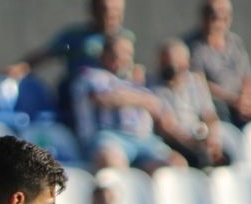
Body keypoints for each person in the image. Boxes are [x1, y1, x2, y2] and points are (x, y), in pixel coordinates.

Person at [73, 35, 186, 172]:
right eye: (118, 53)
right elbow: (107, 99)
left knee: (177, 164)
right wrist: (141, 99)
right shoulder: (91, 75)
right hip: (108, 137)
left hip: (144, 140)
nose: (124, 58)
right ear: (105, 55)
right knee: (112, 161)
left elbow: (158, 108)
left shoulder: (137, 81)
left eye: (128, 54)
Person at [9, 0, 132, 86]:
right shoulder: (75, 36)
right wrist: (21, 67)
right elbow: (46, 54)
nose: (111, 14)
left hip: (115, 92)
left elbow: (128, 67)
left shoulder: (126, 38)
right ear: (94, 10)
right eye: (105, 9)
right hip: (80, 95)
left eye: (117, 9)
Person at [153, 39, 230, 168]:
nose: (164, 65)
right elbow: (167, 127)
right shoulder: (154, 87)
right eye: (163, 61)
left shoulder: (195, 83)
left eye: (169, 61)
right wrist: (193, 144)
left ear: (184, 63)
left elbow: (210, 116)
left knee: (224, 158)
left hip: (197, 137)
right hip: (173, 142)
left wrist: (212, 139)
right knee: (200, 158)